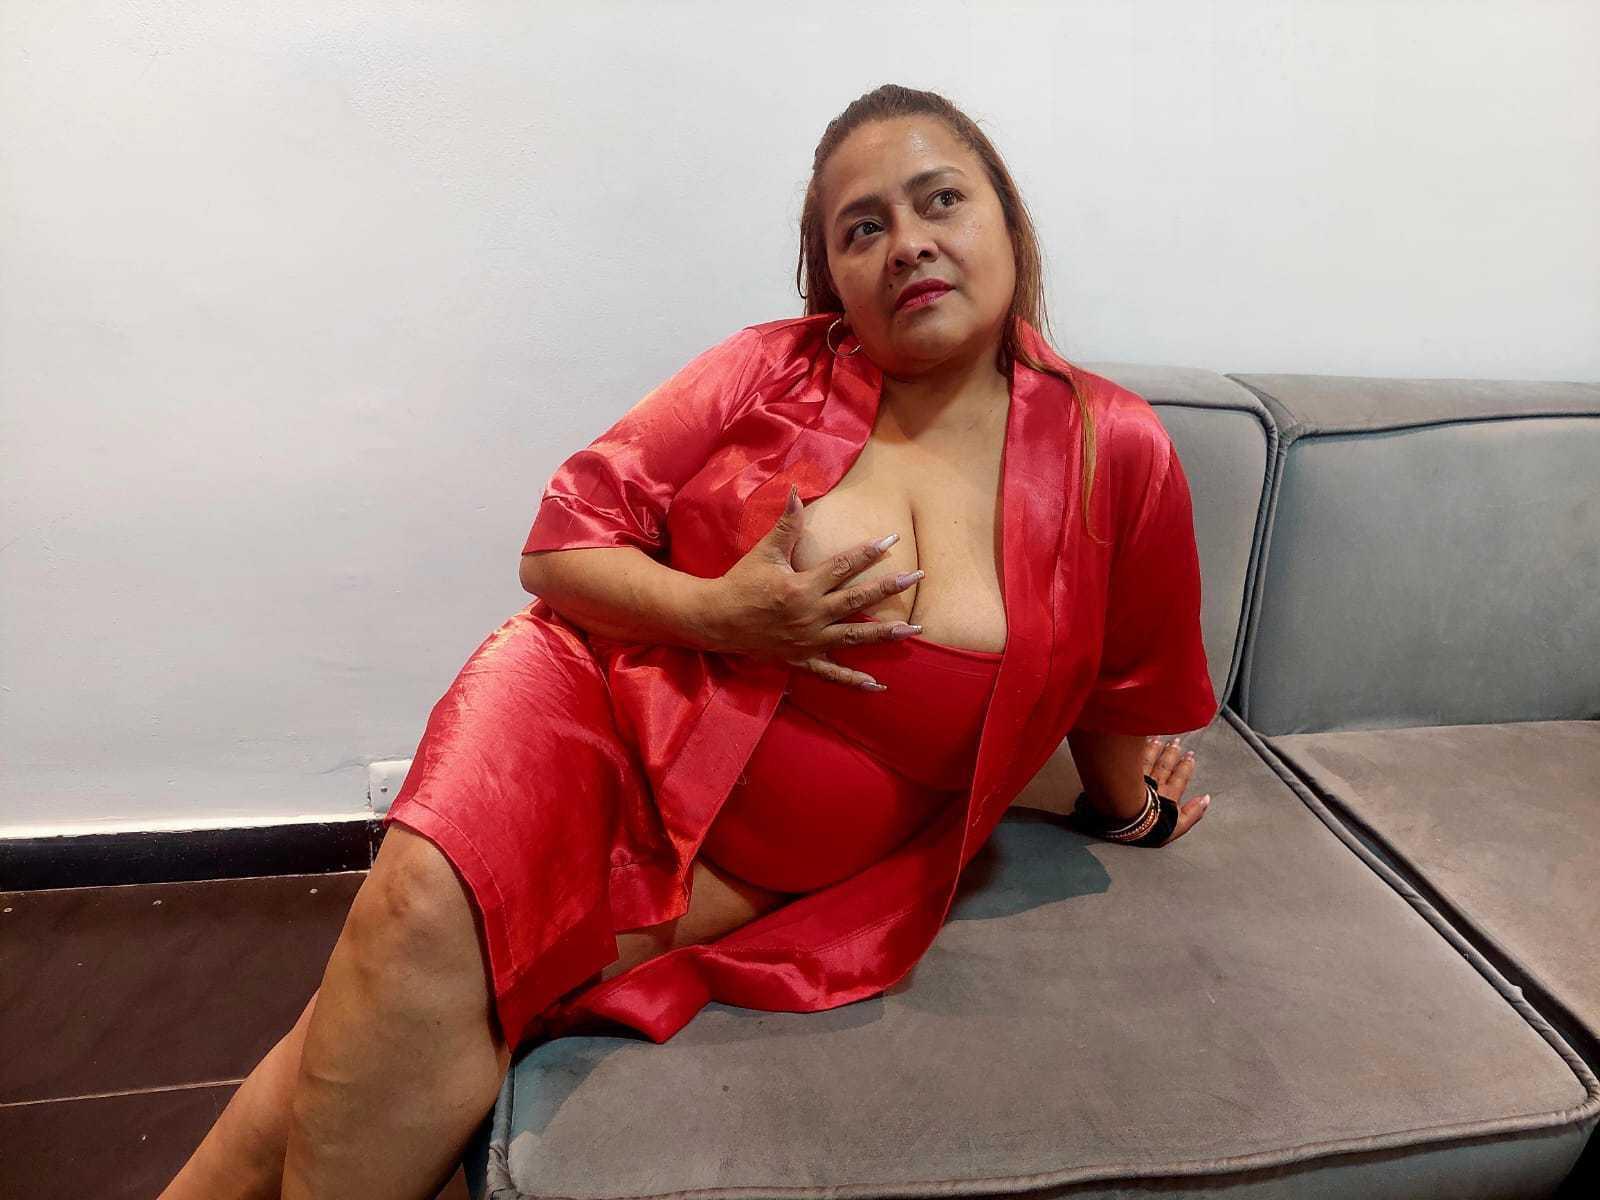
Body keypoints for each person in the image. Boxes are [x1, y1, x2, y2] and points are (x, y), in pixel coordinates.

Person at [160, 83, 1217, 1200]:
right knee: (424, 909)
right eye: (862, 228)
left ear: (1006, 216)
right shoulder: (769, 367)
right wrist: (723, 614)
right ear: (833, 277)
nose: (908, 243)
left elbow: (1120, 686)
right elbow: (558, 548)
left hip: (738, 868)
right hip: (585, 714)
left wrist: (1131, 810)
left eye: (939, 200)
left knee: (388, 990)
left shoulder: (1113, 449)